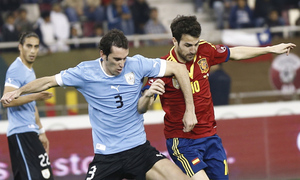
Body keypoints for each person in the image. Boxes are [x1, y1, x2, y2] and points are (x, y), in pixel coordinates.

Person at [1, 29, 198, 180]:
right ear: (102, 54)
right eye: (116, 59)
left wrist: (190, 110)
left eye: (124, 58)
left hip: (139, 150)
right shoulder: (85, 72)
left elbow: (179, 69)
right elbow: (48, 81)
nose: (122, 64)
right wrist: (19, 91)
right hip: (107, 157)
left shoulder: (136, 64)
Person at [140, 15, 296, 180]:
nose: (193, 50)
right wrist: (149, 96)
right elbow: (144, 102)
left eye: (195, 44)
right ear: (174, 41)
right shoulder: (163, 67)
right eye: (187, 45)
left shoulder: (205, 50)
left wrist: (270, 49)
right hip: (183, 141)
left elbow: (235, 53)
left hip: (210, 137)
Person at [2, 31, 54, 179]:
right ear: (20, 47)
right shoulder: (16, 69)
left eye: (36, 47)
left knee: (45, 176)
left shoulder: (29, 71)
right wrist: (37, 95)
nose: (33, 50)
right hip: (20, 132)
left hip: (31, 131)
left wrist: (41, 131)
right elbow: (7, 100)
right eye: (29, 46)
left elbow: (32, 105)